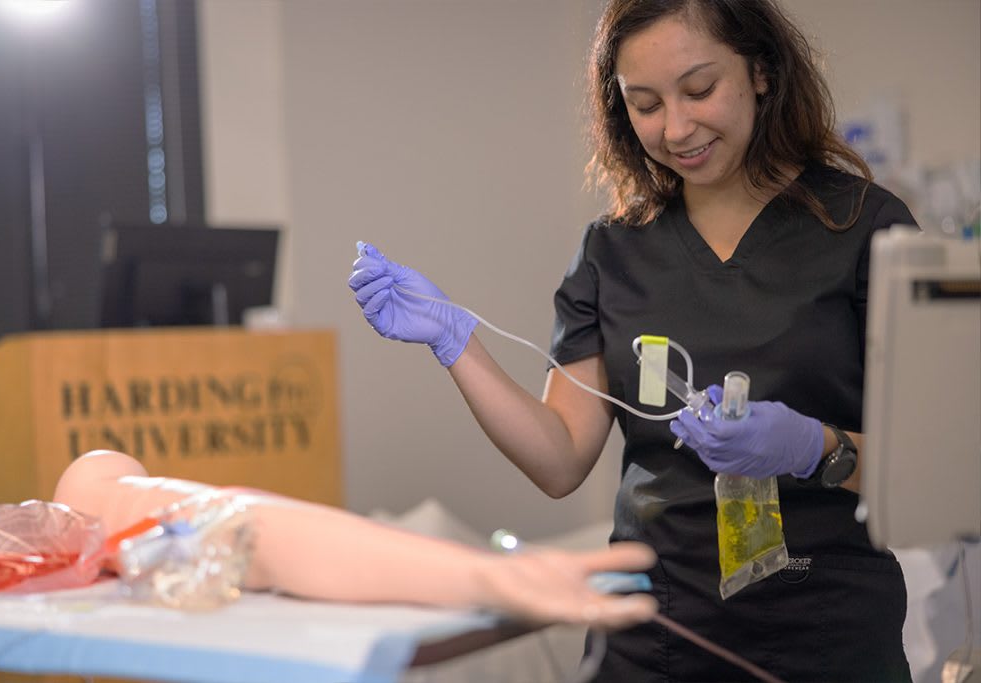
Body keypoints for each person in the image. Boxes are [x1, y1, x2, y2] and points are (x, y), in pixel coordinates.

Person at [348, 0, 917, 680]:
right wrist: (454, 342)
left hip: (830, 638)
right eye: (645, 104)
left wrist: (811, 449)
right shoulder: (613, 251)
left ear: (761, 70)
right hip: (656, 638)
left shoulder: (864, 228)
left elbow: (935, 475)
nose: (677, 128)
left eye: (699, 90)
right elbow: (560, 458)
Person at [51, 449, 657, 629]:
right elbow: (242, 533)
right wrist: (484, 577)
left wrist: (484, 575)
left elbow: (238, 530)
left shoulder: (93, 482)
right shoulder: (91, 486)